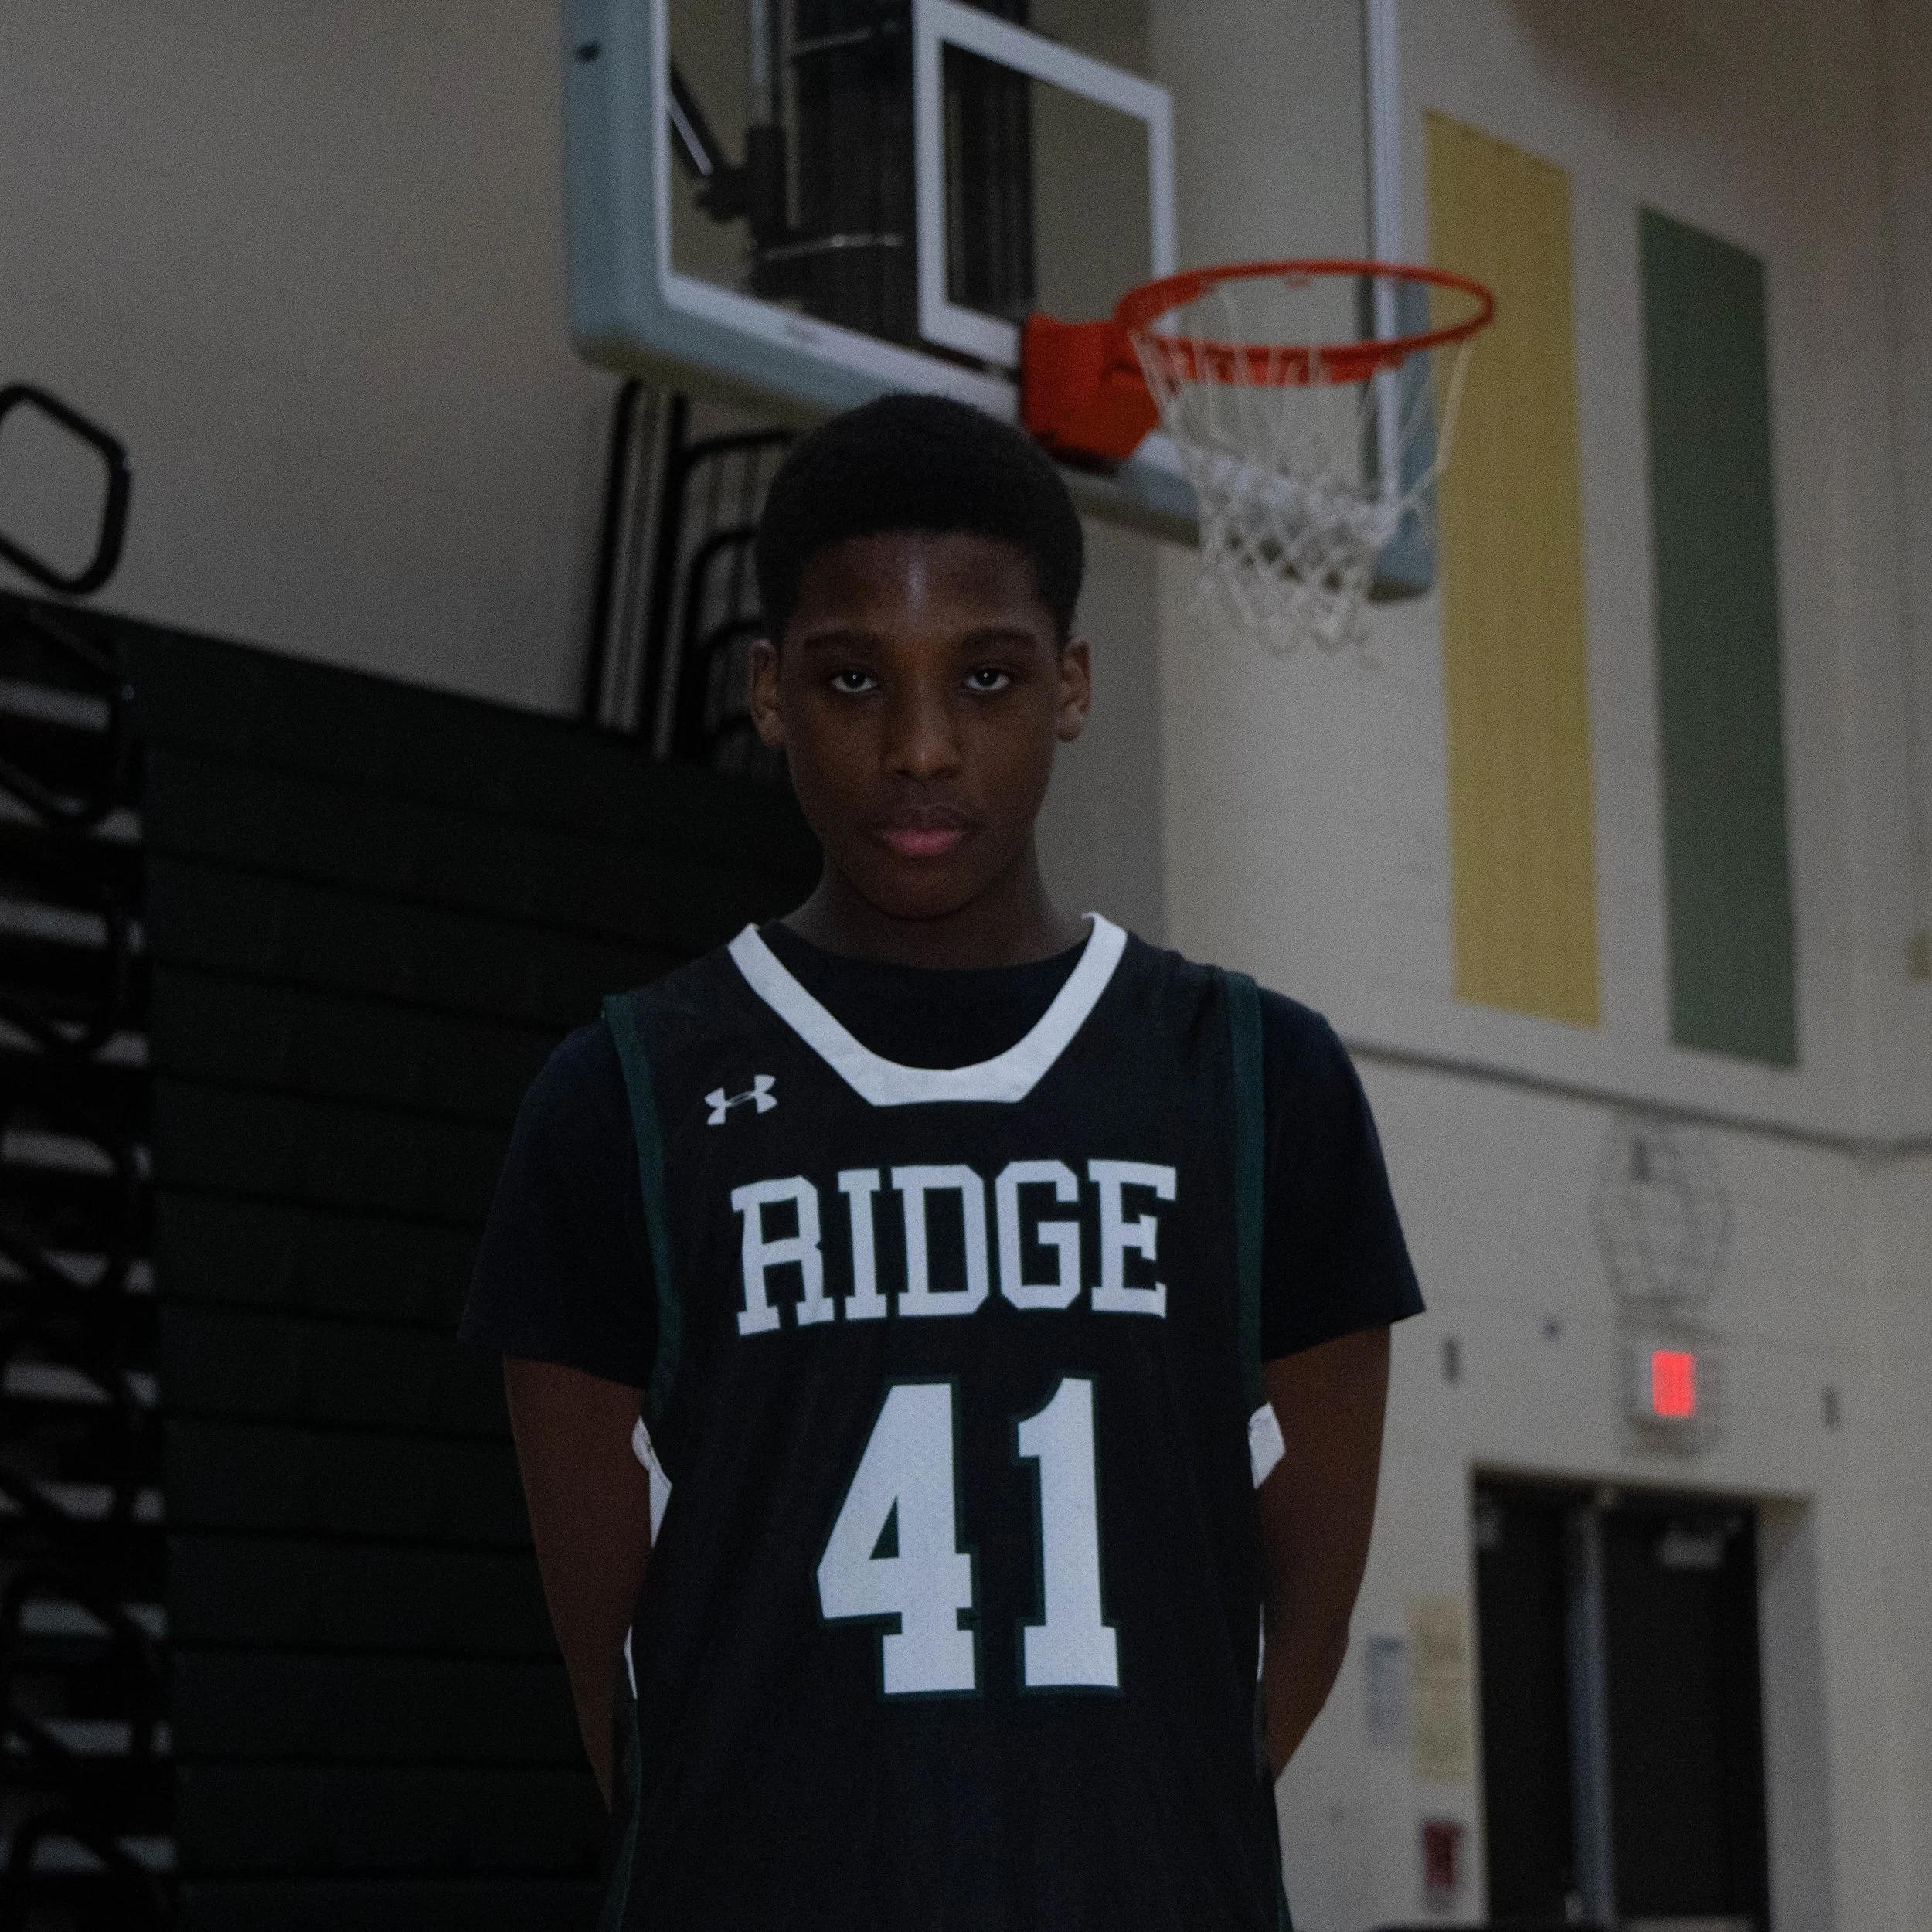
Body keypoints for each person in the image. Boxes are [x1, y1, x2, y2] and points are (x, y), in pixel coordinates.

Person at [461, 393, 1423, 1930]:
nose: (919, 747)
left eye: (985, 675)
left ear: (1072, 687)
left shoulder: (1256, 1085)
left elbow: (1285, 1638)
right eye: (854, 679)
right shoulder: (620, 1100)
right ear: (770, 691)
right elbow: (617, 1677)